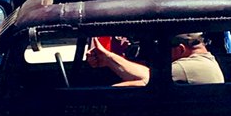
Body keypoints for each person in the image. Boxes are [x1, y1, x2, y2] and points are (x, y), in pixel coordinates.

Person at [85, 31, 223, 87]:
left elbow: (147, 78)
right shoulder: (204, 62)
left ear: (180, 49)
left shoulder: (190, 67)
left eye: (165, 48)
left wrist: (109, 58)